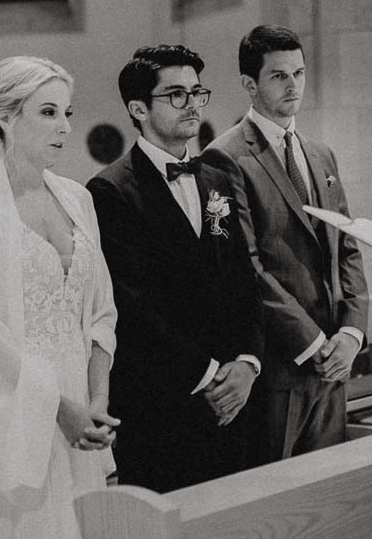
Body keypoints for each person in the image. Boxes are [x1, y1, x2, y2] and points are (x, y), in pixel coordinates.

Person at [0, 56, 118, 539]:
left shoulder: (79, 199)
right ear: (6, 119)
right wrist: (59, 407)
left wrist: (95, 398)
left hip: (78, 398)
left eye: (67, 113)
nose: (64, 127)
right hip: (12, 405)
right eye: (48, 112)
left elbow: (100, 311)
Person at [88, 45, 263, 493]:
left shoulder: (217, 180)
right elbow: (130, 305)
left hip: (234, 398)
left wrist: (246, 363)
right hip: (161, 402)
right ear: (138, 108)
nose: (192, 105)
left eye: (196, 92)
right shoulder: (110, 191)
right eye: (176, 95)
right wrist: (207, 375)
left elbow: (243, 278)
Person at [203, 25, 368, 461]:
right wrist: (313, 343)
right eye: (279, 75)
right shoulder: (225, 157)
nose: (293, 85)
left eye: (298, 73)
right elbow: (247, 267)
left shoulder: (320, 154)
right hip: (280, 364)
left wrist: (351, 334)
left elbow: (347, 246)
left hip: (335, 364)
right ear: (248, 84)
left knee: (331, 497)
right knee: (277, 506)